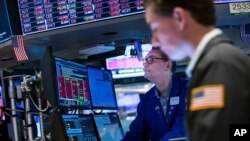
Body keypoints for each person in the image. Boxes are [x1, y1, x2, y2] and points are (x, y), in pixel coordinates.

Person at [144, 0, 250, 141]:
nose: (155, 40)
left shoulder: (217, 63)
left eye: (157, 28)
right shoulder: (212, 62)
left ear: (180, 18)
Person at [121, 47, 188, 141]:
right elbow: (134, 135)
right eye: (145, 60)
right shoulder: (146, 100)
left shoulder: (189, 90)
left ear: (168, 65)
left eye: (151, 60)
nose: (144, 64)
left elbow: (184, 128)